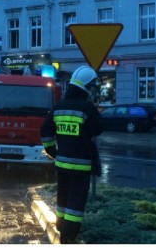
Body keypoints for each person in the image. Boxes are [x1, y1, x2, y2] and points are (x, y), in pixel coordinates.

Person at [41, 66, 103, 244]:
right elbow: (98, 129)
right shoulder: (86, 107)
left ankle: (61, 228)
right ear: (86, 86)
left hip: (62, 164)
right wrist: (95, 110)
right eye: (92, 87)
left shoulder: (59, 106)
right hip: (81, 165)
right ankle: (69, 236)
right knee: (76, 204)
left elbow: (45, 130)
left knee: (63, 199)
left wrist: (53, 151)